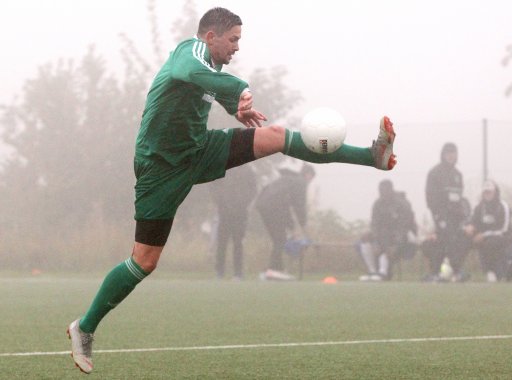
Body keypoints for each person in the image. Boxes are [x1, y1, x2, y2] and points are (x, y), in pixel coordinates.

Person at [66, 7, 398, 374]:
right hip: (160, 167)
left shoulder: (213, 69)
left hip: (199, 149)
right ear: (211, 36)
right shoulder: (188, 52)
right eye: (234, 39)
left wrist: (236, 109)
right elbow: (190, 73)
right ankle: (85, 326)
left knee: (276, 137)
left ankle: (373, 156)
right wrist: (240, 90)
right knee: (144, 261)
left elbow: (211, 89)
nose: (237, 47)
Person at [256, 164, 315, 281]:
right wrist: (303, 225)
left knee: (278, 239)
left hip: (262, 204)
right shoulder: (300, 182)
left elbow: (285, 204)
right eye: (311, 179)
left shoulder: (288, 179)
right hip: (273, 206)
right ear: (308, 175)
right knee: (280, 239)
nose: (310, 182)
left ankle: (275, 269)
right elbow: (299, 205)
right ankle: (274, 270)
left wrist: (292, 226)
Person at [424, 142, 471, 282]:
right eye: (448, 153)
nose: (451, 156)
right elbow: (430, 197)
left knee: (458, 239)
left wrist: (461, 213)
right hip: (441, 215)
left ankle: (439, 273)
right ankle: (452, 271)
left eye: (453, 153)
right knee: (445, 238)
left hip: (456, 216)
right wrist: (437, 214)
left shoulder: (458, 174)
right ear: (443, 155)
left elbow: (459, 197)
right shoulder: (435, 173)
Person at [359, 180, 417, 281]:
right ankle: (372, 271)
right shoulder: (378, 204)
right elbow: (375, 225)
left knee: (388, 244)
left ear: (391, 190)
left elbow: (404, 227)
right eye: (380, 191)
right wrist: (375, 242)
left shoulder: (402, 204)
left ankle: (383, 272)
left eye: (384, 191)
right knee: (365, 239)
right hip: (383, 235)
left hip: (403, 237)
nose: (382, 193)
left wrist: (396, 245)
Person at [211, 164, 257, 280]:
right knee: (222, 243)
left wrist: (243, 203)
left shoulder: (248, 170)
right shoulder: (224, 168)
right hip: (224, 212)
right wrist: (220, 203)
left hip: (240, 213)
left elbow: (253, 190)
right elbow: (215, 188)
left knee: (238, 243)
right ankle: (219, 272)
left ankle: (238, 273)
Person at [464, 180, 512, 282]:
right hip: (484, 237)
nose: (487, 194)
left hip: (504, 237)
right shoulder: (479, 207)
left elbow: (504, 229)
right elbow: (474, 221)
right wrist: (470, 227)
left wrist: (484, 235)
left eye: (489, 192)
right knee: (462, 240)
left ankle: (495, 273)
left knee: (490, 243)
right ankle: (457, 272)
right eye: (485, 192)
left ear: (495, 192)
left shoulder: (503, 206)